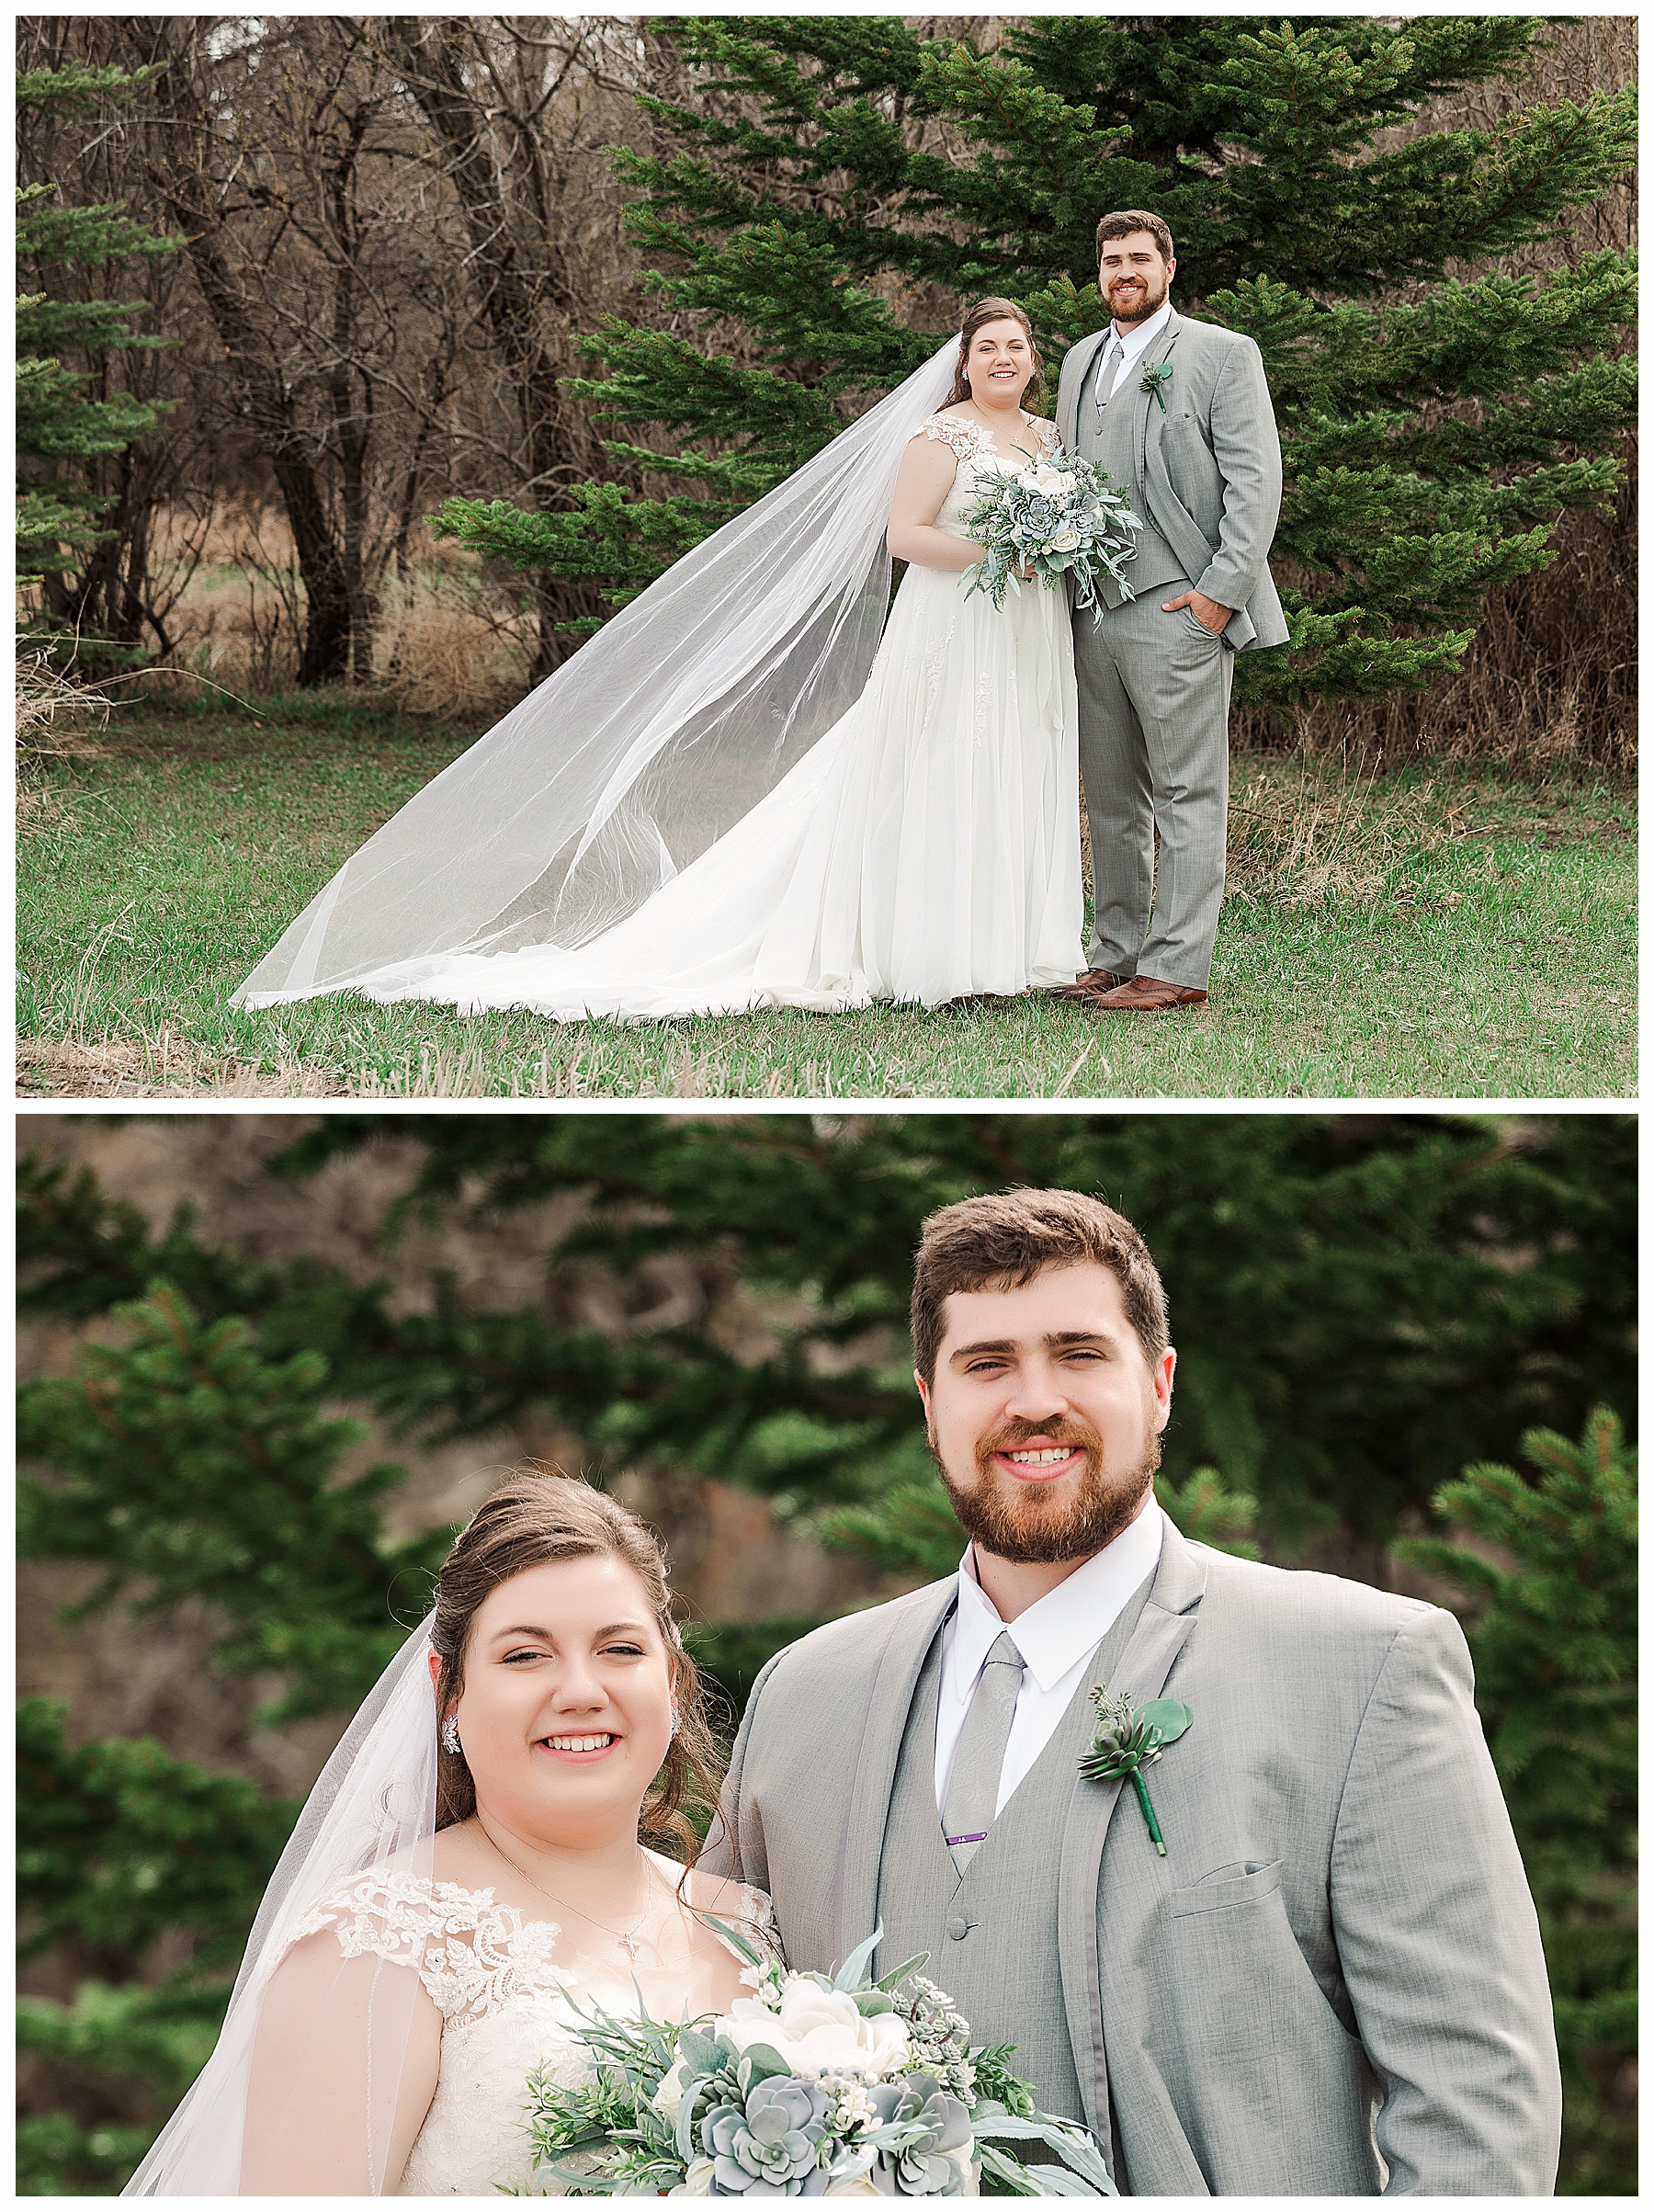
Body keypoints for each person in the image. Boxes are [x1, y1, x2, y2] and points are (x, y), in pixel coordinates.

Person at [703, 1187, 1562, 2195]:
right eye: (987, 1363)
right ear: (931, 1405)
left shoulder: (1363, 1665)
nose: (1033, 1400)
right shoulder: (805, 1695)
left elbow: (1477, 2103)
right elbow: (716, 2041)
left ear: (1157, 1384)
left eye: (1078, 1353)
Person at [233, 301, 1088, 1021]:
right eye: (987, 349)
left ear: (1032, 360)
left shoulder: (1049, 439)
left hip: (1027, 630)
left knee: (1012, 764)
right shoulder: (940, 437)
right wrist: (997, 553)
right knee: (939, 768)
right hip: (954, 626)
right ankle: (932, 951)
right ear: (963, 363)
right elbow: (904, 537)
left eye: (1015, 347)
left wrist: (1050, 550)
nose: (1003, 359)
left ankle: (1009, 947)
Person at [125, 1474, 778, 2195]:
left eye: (620, 1649)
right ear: (449, 1688)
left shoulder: (747, 1924)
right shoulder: (377, 1941)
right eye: (525, 1655)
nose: (581, 1690)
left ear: (675, 1682)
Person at [1053, 210, 1289, 1015]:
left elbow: (1256, 485)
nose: (1124, 272)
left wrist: (1218, 598)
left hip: (1180, 606)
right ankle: (1114, 951)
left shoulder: (1223, 354)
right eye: (1111, 260)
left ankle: (1178, 965)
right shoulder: (1080, 359)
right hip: (1092, 608)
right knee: (1112, 794)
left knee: (1189, 792)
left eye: (1139, 259)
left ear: (1169, 267)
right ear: (1099, 274)